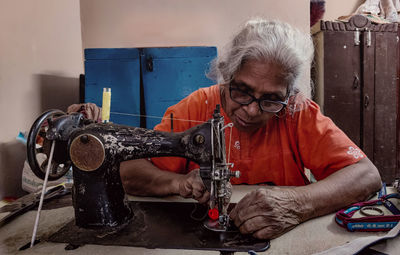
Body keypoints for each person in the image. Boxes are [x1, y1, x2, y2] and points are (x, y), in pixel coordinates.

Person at [120, 18, 382, 239]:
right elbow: (130, 171)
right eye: (242, 92)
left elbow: (366, 175)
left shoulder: (296, 112)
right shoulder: (196, 107)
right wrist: (177, 183)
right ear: (227, 75)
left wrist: (298, 204)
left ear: (289, 94)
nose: (252, 110)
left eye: (271, 99)